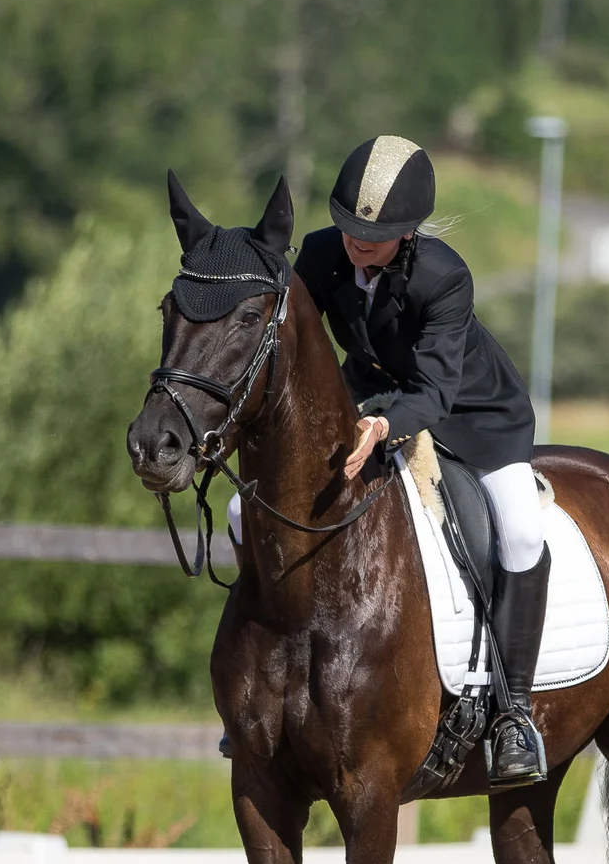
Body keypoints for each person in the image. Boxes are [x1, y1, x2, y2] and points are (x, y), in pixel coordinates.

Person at [229, 134, 550, 788]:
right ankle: (263, 678)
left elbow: (433, 390)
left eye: (372, 237)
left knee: (521, 532)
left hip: (473, 417)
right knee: (243, 510)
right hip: (365, 404)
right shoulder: (322, 254)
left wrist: (383, 424)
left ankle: (514, 714)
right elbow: (290, 340)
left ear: (407, 234)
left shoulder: (444, 277)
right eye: (348, 227)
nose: (355, 243)